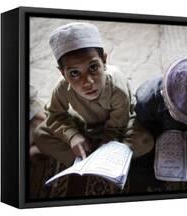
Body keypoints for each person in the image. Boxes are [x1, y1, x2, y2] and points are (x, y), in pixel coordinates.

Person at [33, 22, 154, 189]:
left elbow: (118, 123)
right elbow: (54, 114)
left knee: (144, 140)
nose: (87, 82)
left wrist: (108, 142)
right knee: (40, 134)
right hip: (88, 126)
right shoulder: (62, 88)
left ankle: (107, 161)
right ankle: (83, 163)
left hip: (120, 126)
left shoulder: (116, 86)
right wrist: (73, 136)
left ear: (104, 61)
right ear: (63, 73)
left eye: (93, 67)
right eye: (74, 73)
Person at [134, 57, 187, 191]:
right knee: (143, 149)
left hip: (181, 138)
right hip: (158, 133)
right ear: (165, 99)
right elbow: (147, 130)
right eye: (185, 119)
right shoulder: (145, 101)